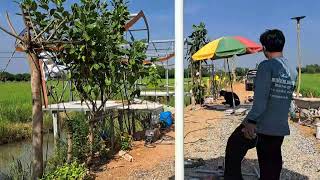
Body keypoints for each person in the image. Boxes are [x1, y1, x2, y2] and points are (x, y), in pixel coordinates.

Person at [224, 29, 297, 180]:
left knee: (233, 146)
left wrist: (250, 121)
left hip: (262, 127)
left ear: (264, 48)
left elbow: (261, 101)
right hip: (280, 128)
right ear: (282, 45)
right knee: (271, 163)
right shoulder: (292, 69)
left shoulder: (266, 66)